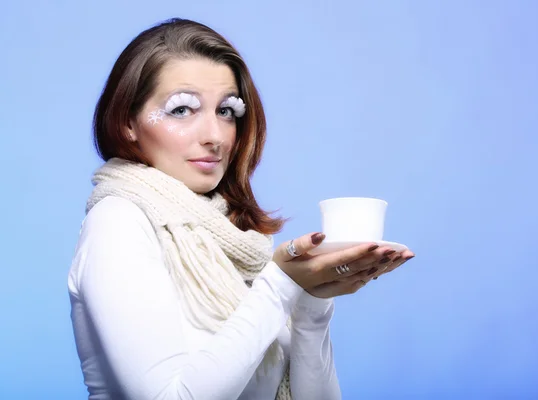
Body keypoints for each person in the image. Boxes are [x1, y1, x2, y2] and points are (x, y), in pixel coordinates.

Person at [67, 17, 414, 400]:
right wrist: (282, 284)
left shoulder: (232, 241)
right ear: (128, 122)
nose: (215, 136)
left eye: (226, 111)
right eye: (182, 110)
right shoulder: (118, 221)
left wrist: (313, 304)